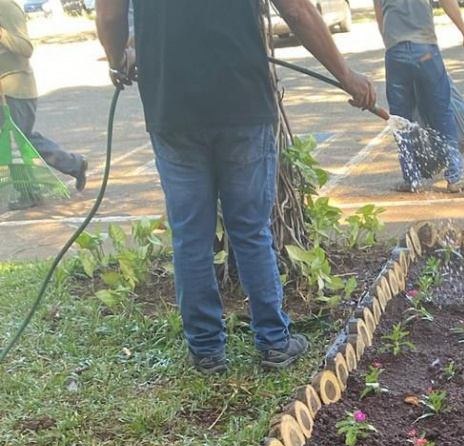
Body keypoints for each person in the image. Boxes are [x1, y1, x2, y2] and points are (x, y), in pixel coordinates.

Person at [95, 0, 376, 373]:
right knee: (250, 230)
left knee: (190, 238)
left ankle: (206, 351)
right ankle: (274, 343)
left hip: (172, 109)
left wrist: (118, 60)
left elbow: (110, 14)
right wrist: (346, 75)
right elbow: (296, 10)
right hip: (243, 103)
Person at [374, 0, 464, 193]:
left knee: (400, 119)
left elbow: (380, 19)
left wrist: (394, 46)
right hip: (425, 50)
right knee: (442, 113)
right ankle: (455, 175)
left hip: (395, 53)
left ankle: (412, 178)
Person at [0, 0, 88, 210]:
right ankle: (72, 165)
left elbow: (26, 48)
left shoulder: (6, 7)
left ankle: (30, 191)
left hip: (16, 88)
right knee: (18, 140)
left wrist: (2, 34)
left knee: (19, 141)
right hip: (4, 89)